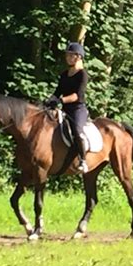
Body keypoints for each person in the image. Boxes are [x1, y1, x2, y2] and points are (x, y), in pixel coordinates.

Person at [45, 42, 89, 173]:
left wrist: (60, 100)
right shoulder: (64, 74)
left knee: (77, 130)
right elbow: (57, 91)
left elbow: (77, 95)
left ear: (79, 57)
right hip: (64, 109)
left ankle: (83, 160)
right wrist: (49, 100)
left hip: (77, 109)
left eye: (71, 55)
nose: (68, 58)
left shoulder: (82, 75)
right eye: (67, 55)